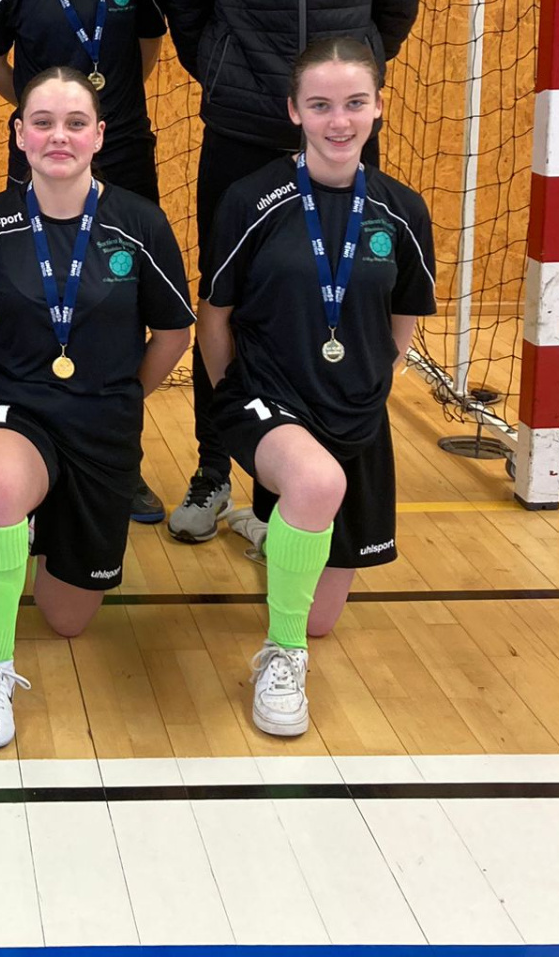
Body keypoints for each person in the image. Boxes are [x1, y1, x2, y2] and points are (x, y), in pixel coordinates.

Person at [162, 0, 423, 546]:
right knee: (227, 302)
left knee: (330, 303)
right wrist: (234, 77)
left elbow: (396, 6)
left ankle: (302, 482)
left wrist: (340, 98)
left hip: (339, 139)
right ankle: (214, 469)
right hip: (242, 128)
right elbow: (186, 11)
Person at [0, 69, 194, 748]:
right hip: (14, 409)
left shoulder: (140, 223)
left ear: (99, 135)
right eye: (44, 122)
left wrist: (122, 394)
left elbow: (174, 332)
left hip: (101, 425)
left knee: (67, 620)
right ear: (20, 134)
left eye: (76, 123)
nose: (60, 135)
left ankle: (36, 521)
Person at [198, 37, 436, 736]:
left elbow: (403, 317)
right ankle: (282, 657)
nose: (339, 121)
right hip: (265, 396)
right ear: (294, 111)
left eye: (355, 103)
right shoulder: (252, 199)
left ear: (379, 107)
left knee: (324, 617)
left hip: (355, 409)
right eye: (321, 105)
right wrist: (230, 397)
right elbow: (215, 316)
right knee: (315, 484)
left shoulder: (402, 209)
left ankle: (277, 528)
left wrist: (376, 378)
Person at [0, 0, 171, 523]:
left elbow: (147, 48)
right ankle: (31, 446)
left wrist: (95, 115)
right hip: (42, 161)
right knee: (38, 298)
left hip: (121, 154)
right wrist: (47, 120)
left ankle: (120, 458)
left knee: (117, 308)